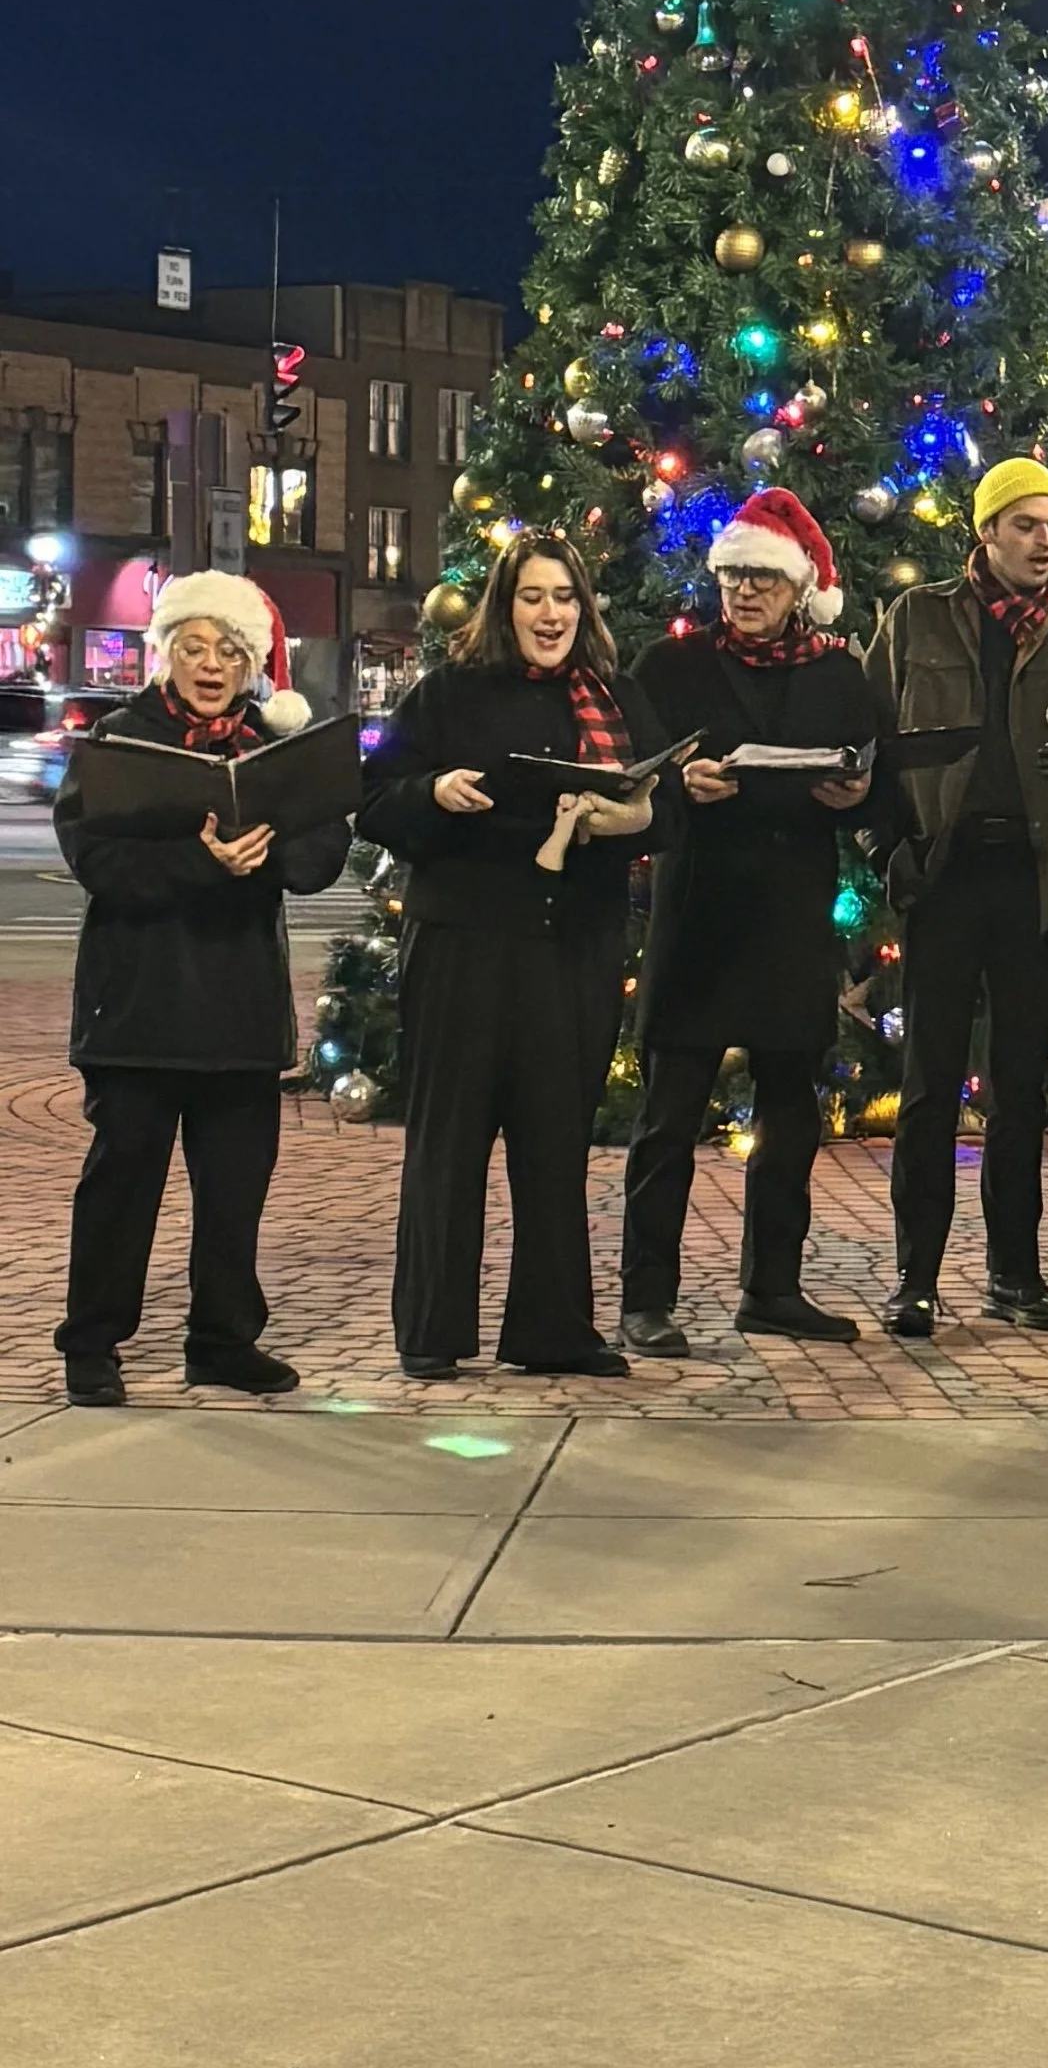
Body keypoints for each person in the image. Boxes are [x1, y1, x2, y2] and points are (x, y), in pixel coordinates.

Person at [356, 533, 665, 1381]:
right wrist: (434, 792)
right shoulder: (450, 694)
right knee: (448, 1141)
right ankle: (431, 1329)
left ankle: (552, 1328)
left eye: (565, 595)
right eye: (533, 596)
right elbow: (375, 800)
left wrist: (635, 818)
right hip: (463, 942)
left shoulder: (617, 694)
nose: (551, 612)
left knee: (555, 1141)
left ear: (584, 606)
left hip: (574, 946)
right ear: (505, 604)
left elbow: (666, 807)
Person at [53, 572, 349, 1408]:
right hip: (138, 1006)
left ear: (251, 663)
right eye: (194, 646)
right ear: (166, 653)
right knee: (122, 1184)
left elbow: (322, 849)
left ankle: (222, 1338)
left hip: (240, 1011)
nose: (211, 664)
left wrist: (270, 851)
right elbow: (95, 860)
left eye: (228, 650)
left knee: (234, 1190)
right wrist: (198, 860)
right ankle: (92, 1342)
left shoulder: (269, 745)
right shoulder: (119, 739)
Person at [864, 454, 1048, 1340]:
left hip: (1037, 879)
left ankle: (1016, 1274)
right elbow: (868, 733)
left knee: (1020, 1090)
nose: (1044, 541)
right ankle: (917, 1278)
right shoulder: (918, 617)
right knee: (930, 1085)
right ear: (986, 530)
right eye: (1026, 523)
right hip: (943, 880)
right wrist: (883, 846)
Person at [618, 487, 878, 1355]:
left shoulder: (839, 674)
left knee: (790, 1119)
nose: (744, 592)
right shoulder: (670, 668)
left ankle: (773, 1287)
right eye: (732, 577)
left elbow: (869, 781)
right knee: (668, 1119)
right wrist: (674, 789)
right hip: (697, 916)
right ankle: (645, 1297)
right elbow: (624, 780)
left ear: (798, 587)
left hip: (790, 916)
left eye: (763, 578)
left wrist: (855, 794)